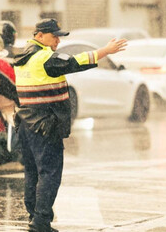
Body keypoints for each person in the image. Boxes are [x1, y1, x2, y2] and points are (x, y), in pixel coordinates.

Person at [14, 18, 127, 232]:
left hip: (25, 123)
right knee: (49, 173)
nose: (58, 40)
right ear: (39, 36)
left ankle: (34, 217)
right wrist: (105, 51)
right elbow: (75, 62)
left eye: (59, 36)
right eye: (54, 36)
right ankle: (40, 222)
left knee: (32, 172)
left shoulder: (22, 56)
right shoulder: (44, 57)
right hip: (45, 124)